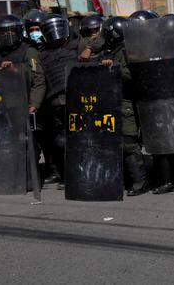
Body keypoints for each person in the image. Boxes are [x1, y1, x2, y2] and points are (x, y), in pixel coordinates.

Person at [38, 14, 90, 188]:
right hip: (56, 103)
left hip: (78, 100)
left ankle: (85, 173)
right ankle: (67, 175)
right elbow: (39, 79)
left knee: (81, 139)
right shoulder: (42, 52)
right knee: (60, 142)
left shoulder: (78, 44)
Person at [98, 16, 148, 196]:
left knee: (128, 143)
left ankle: (139, 182)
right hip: (111, 101)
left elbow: (134, 75)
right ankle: (121, 180)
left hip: (125, 101)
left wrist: (115, 67)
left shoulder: (127, 51)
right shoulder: (110, 51)